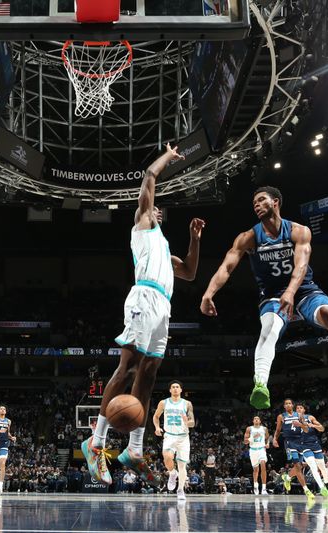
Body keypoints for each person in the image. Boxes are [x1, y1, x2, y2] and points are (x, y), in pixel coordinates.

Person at [199, 186, 328, 409]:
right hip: (272, 296)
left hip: (304, 290)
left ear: (275, 202)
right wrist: (208, 294)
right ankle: (260, 386)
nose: (256, 205)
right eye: (254, 203)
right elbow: (226, 268)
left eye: (261, 200)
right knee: (269, 328)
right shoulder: (248, 237)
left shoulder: (299, 231)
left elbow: (301, 265)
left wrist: (291, 291)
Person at [81, 143, 205, 487]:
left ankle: (134, 449)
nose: (156, 212)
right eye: (153, 209)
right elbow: (150, 176)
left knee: (149, 373)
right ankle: (96, 442)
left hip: (164, 305)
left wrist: (194, 239)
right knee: (128, 366)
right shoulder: (142, 228)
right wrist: (169, 156)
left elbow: (191, 272)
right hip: (144, 297)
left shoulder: (164, 248)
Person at [152, 380, 195, 501]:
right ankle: (172, 473)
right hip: (169, 435)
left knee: (182, 466)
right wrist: (157, 427)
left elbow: (192, 422)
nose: (175, 388)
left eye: (177, 387)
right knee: (167, 456)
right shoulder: (163, 403)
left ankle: (180, 490)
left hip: (183, 437)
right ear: (170, 390)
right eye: (173, 387)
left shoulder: (187, 404)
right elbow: (156, 416)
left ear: (181, 390)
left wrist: (188, 422)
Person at [272, 399, 312, 498]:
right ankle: (306, 490)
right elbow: (278, 430)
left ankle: (288, 478)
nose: (288, 405)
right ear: (284, 407)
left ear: (292, 405)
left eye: (290, 403)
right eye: (286, 404)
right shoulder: (281, 416)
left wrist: (301, 425)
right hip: (289, 442)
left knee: (300, 466)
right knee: (298, 466)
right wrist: (274, 439)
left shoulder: (299, 415)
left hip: (300, 441)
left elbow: (306, 429)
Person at [294, 403, 328, 497]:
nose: (298, 409)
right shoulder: (292, 420)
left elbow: (322, 428)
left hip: (314, 444)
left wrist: (313, 426)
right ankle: (322, 487)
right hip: (304, 445)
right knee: (313, 467)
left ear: (304, 410)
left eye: (300, 408)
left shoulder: (310, 417)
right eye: (297, 408)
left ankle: (326, 483)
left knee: (322, 467)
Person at [244, 416, 269, 495]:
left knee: (263, 465)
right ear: (253, 421)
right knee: (256, 470)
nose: (256, 419)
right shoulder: (249, 429)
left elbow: (267, 438)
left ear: (260, 421)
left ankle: (264, 489)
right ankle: (256, 485)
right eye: (255, 419)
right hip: (253, 450)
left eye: (258, 418)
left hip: (261, 449)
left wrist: (267, 443)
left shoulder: (264, 429)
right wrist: (253, 437)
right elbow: (245, 442)